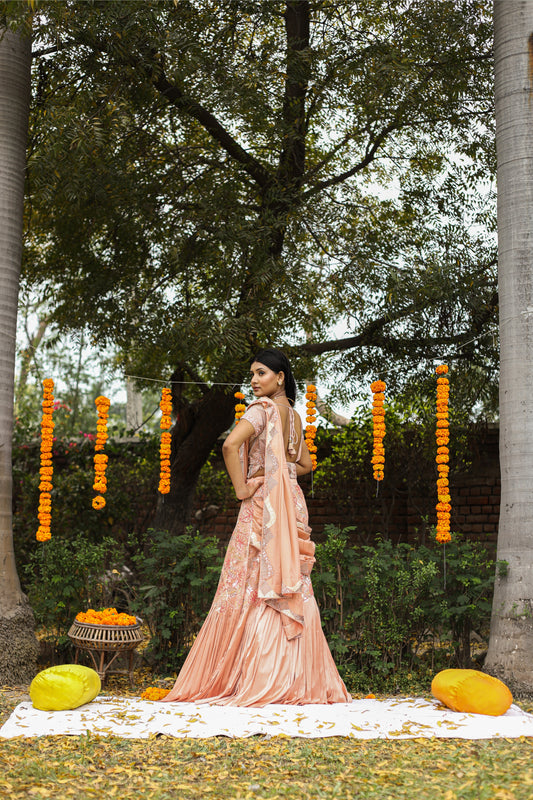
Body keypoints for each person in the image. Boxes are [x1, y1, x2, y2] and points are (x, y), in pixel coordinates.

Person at [162, 349, 350, 706]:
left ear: (280, 377)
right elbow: (306, 464)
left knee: (249, 582)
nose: (253, 380)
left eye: (261, 373)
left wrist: (243, 488)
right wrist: (284, 472)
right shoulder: (293, 417)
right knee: (287, 580)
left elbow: (231, 446)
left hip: (263, 503)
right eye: (251, 374)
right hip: (290, 501)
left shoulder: (261, 411)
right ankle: (296, 678)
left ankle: (256, 675)